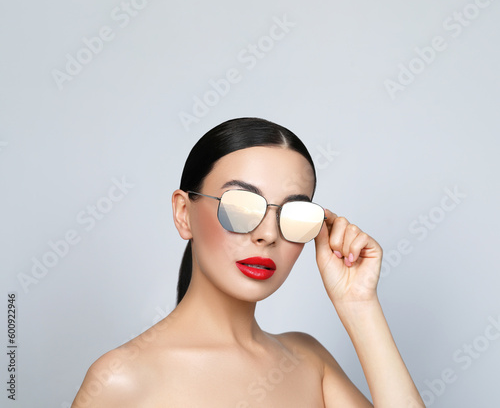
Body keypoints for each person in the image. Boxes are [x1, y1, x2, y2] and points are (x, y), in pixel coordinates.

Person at [71, 117, 424, 407]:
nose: (268, 234)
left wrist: (359, 304)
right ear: (184, 213)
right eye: (240, 206)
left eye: (293, 214)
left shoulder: (308, 360)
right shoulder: (120, 380)